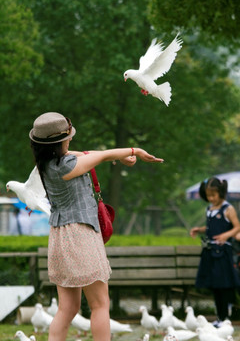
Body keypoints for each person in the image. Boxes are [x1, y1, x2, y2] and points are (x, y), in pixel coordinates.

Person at [29, 112, 164, 341]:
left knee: (67, 309)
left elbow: (92, 156)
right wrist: (135, 151)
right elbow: (102, 155)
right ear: (60, 141)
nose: (70, 139)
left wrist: (117, 158)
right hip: (80, 234)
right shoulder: (67, 166)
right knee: (100, 304)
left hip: (60, 237)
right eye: (68, 137)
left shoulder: (46, 163)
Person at [190, 177, 240, 327]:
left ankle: (225, 317)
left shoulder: (228, 209)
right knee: (214, 286)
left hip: (222, 252)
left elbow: (237, 227)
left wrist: (225, 235)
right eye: (208, 195)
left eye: (214, 195)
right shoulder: (209, 209)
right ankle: (219, 317)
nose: (211, 198)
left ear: (220, 193)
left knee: (223, 285)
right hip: (210, 252)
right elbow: (210, 228)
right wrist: (199, 230)